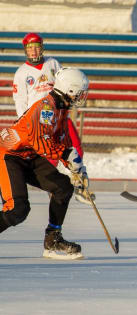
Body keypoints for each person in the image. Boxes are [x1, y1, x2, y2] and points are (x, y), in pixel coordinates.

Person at [0, 67, 90, 259]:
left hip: (28, 156)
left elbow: (62, 140)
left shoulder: (61, 109)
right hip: (9, 155)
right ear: (70, 90)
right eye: (80, 92)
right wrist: (66, 154)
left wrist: (76, 169)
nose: (82, 97)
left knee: (63, 187)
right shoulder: (46, 108)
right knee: (18, 209)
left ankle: (53, 240)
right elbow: (41, 142)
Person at [12, 32, 92, 205]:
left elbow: (65, 82)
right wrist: (25, 122)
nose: (33, 51)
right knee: (50, 154)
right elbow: (20, 100)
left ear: (42, 47)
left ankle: (79, 185)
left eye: (36, 47)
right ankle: (54, 188)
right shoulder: (21, 72)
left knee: (75, 146)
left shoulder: (52, 63)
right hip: (41, 120)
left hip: (59, 114)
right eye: (29, 48)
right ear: (25, 50)